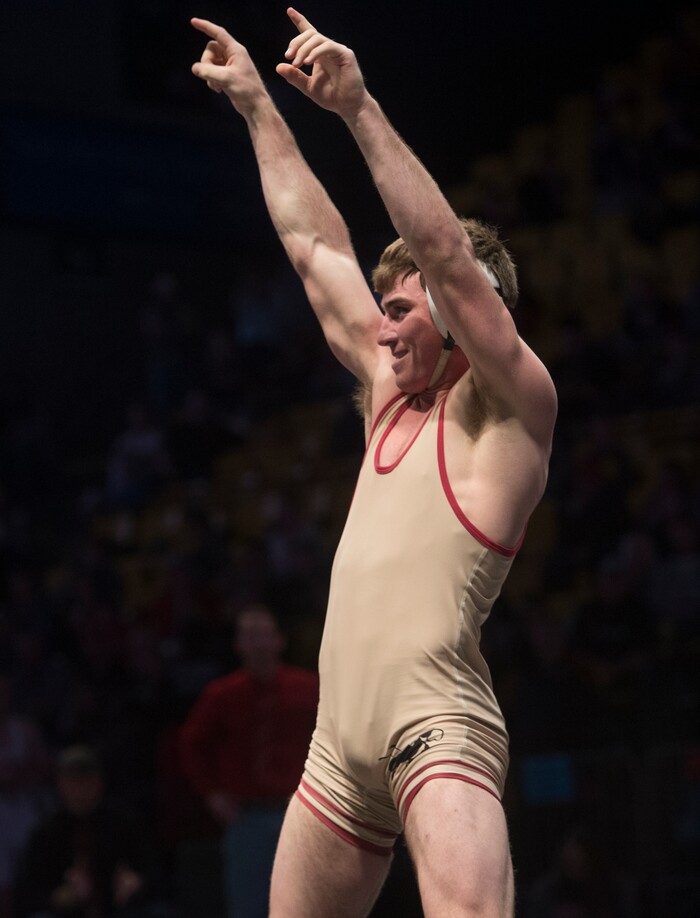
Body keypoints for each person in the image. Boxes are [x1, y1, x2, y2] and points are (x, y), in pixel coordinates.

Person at [190, 9, 557, 916]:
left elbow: (445, 255)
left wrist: (358, 110)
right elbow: (315, 248)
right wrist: (258, 112)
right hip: (337, 748)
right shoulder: (393, 398)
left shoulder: (514, 407)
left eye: (399, 309)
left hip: (439, 730)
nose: (379, 327)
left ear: (452, 312)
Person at [179, 604, 318, 918]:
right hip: (248, 817)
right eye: (249, 636)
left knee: (309, 905)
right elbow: (191, 744)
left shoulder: (308, 688)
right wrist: (211, 792)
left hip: (302, 813)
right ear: (238, 645)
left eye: (263, 635)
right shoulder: (222, 695)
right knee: (249, 907)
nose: (257, 643)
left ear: (279, 640)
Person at [14, 745, 155, 918]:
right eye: (73, 782)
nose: (80, 790)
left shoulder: (122, 823)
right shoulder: (47, 832)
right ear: (60, 785)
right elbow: (27, 892)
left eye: (86, 780)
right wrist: (58, 897)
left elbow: (152, 870)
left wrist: (137, 883)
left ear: (100, 782)